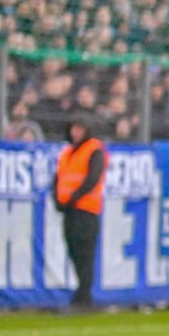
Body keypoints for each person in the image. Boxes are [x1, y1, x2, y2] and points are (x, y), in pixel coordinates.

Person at [53, 119, 106, 311]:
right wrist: (58, 200)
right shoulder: (67, 153)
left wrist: (73, 198)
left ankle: (84, 296)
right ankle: (81, 294)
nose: (75, 132)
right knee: (74, 251)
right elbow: (58, 178)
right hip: (70, 210)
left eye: (79, 128)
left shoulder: (94, 150)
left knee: (85, 254)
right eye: (73, 128)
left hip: (86, 210)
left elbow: (93, 178)